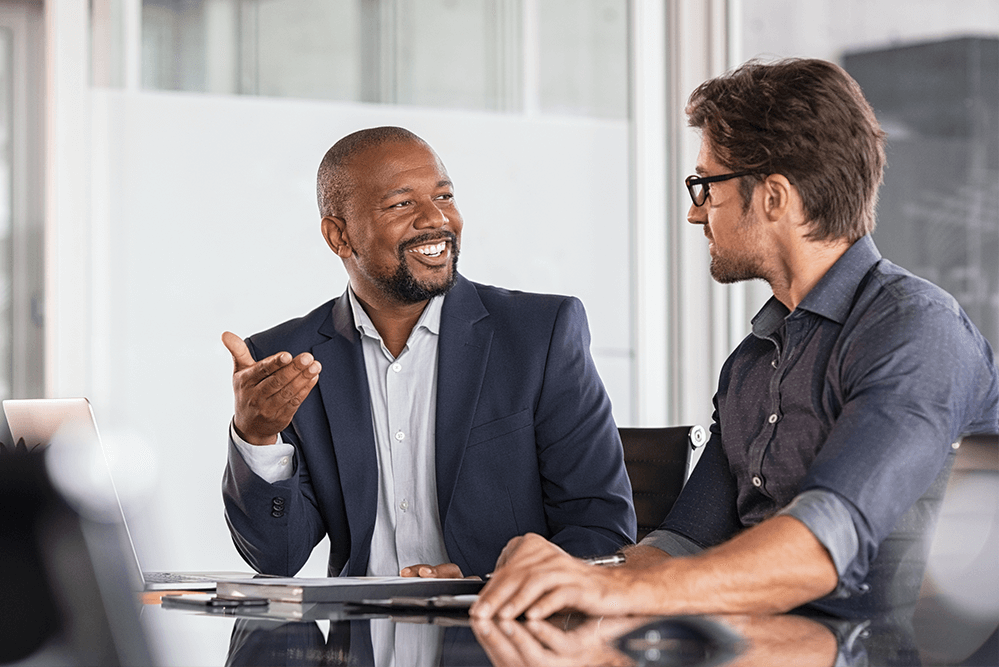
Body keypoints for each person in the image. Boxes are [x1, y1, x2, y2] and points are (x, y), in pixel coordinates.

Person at [470, 58, 999, 619]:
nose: (696, 213)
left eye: (706, 185)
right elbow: (679, 546)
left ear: (773, 196)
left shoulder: (916, 330)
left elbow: (823, 545)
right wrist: (563, 577)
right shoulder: (751, 362)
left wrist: (616, 592)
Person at [221, 126, 636, 579]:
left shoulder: (540, 335)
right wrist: (256, 438)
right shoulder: (288, 360)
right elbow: (276, 558)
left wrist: (489, 584)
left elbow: (601, 530)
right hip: (360, 642)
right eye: (402, 204)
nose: (435, 219)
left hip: (497, 633)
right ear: (339, 236)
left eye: (443, 197)